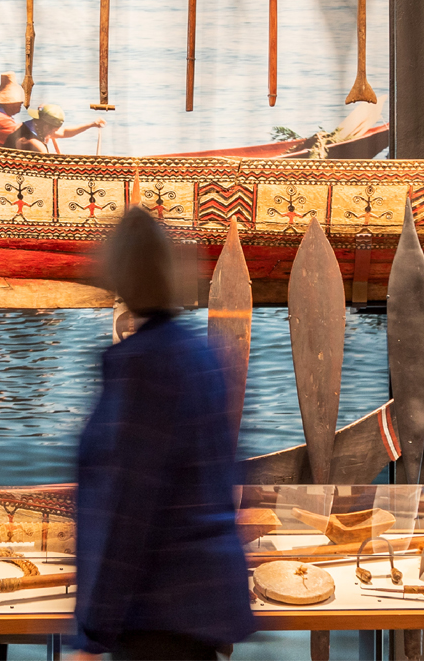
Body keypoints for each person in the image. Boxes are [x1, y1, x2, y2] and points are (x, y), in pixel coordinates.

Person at [71, 208, 255, 661]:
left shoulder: (141, 368)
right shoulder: (202, 355)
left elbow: (127, 509)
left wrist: (94, 632)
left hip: (159, 614)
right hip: (205, 603)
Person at [4, 103, 105, 154]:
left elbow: (65, 132)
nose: (56, 132)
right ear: (46, 127)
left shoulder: (35, 125)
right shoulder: (34, 143)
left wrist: (92, 124)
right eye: (55, 129)